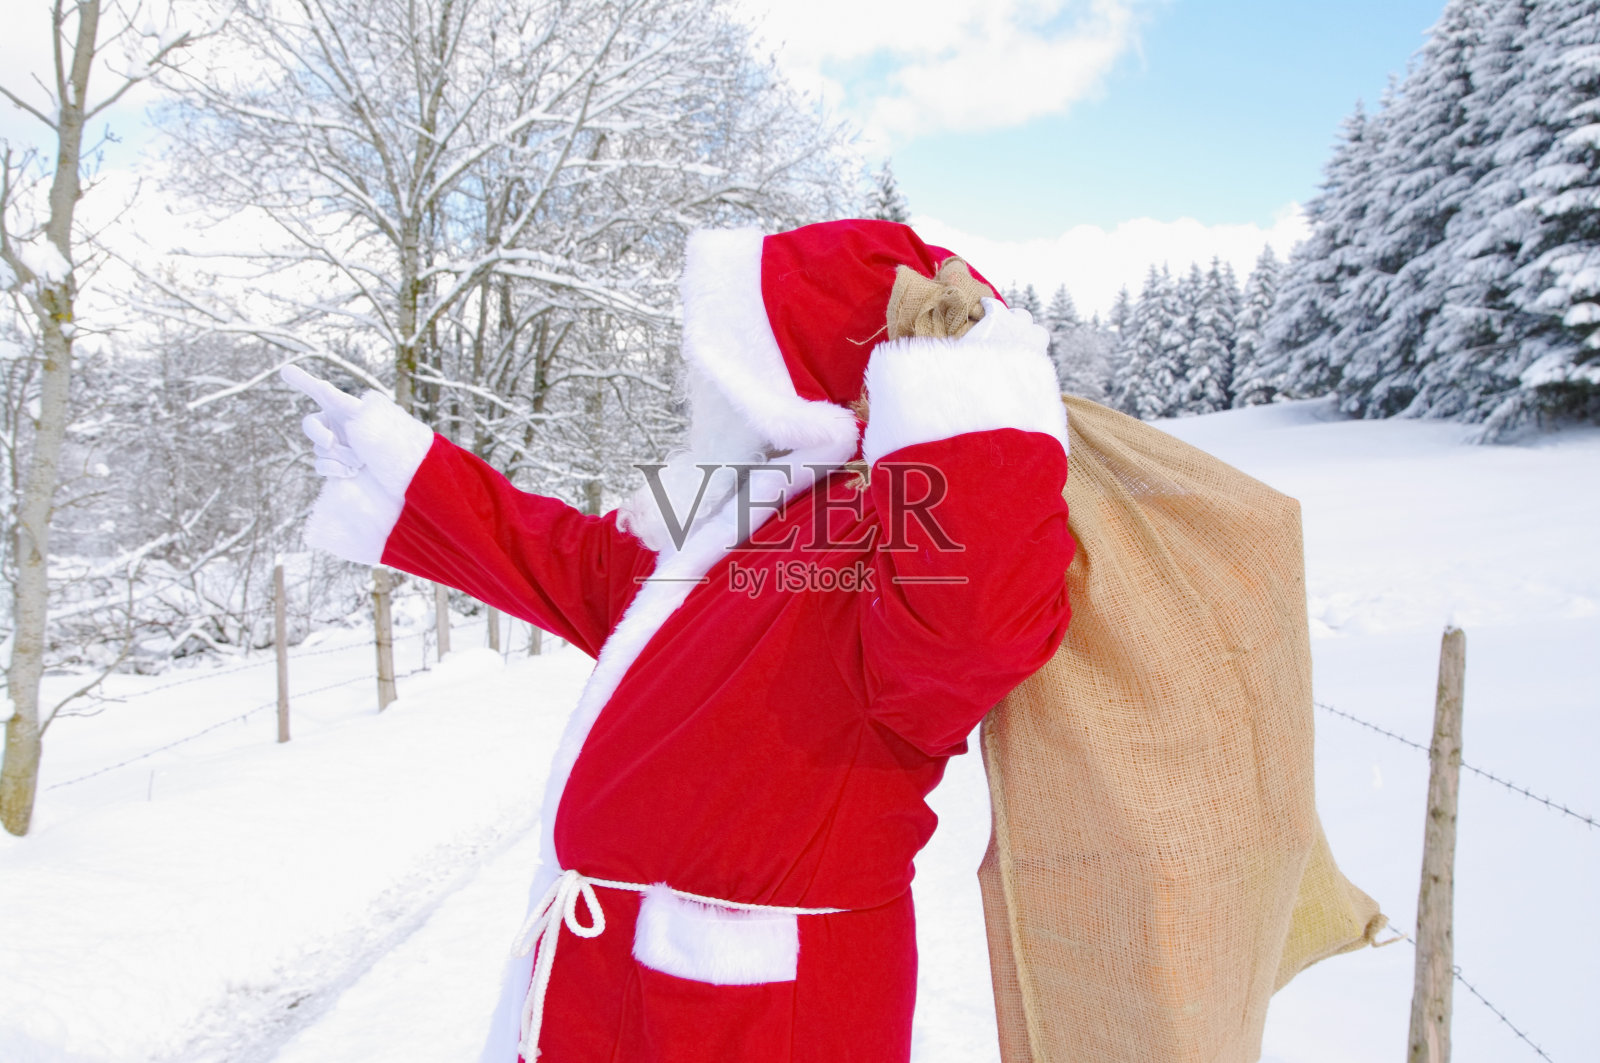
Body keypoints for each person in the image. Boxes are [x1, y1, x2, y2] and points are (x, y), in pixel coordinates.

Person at [285, 219, 1073, 1063]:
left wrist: (969, 401)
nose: (712, 389)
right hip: (620, 976)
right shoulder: (749, 509)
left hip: (758, 1009)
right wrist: (407, 471)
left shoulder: (888, 531)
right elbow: (582, 567)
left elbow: (974, 637)